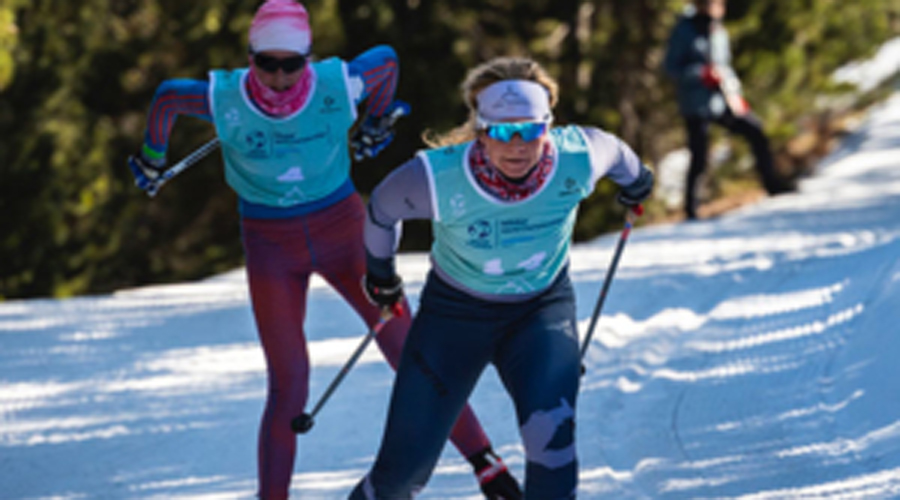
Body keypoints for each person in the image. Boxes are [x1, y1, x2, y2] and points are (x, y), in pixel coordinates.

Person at [126, 1, 521, 498]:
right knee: (288, 382)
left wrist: (378, 119)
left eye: (291, 64)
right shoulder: (224, 98)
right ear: (250, 58)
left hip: (343, 233)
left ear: (307, 59)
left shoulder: (337, 85)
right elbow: (167, 98)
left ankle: (486, 463)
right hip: (271, 247)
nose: (278, 76)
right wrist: (153, 157)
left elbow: (385, 61)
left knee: (412, 349)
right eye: (265, 63)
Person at [349, 56, 654, 499]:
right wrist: (381, 276)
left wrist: (638, 181)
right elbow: (381, 210)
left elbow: (621, 157)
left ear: (547, 126)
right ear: (481, 131)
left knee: (552, 445)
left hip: (540, 314)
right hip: (453, 319)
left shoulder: (578, 157)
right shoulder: (438, 179)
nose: (517, 145)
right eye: (501, 132)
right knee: (402, 471)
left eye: (530, 130)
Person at [663, 0, 793, 220]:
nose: (717, 7)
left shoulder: (718, 29)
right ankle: (691, 209)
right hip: (695, 104)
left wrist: (735, 94)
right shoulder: (684, 30)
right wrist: (700, 74)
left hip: (723, 100)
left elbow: (725, 65)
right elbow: (671, 67)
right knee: (699, 155)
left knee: (755, 130)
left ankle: (772, 185)